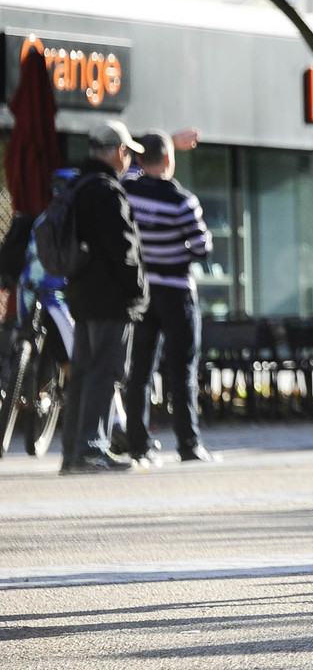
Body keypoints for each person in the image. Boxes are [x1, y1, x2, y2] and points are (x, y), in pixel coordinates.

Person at [58, 121, 150, 475]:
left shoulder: (78, 185)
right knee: (105, 372)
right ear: (118, 152)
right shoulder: (107, 191)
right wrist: (138, 290)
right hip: (110, 300)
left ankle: (73, 453)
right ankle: (91, 450)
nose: (128, 160)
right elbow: (123, 250)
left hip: (81, 296)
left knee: (83, 373)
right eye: (127, 153)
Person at [120, 130, 214, 465]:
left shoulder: (128, 190)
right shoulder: (182, 201)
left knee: (139, 372)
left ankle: (138, 445)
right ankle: (188, 445)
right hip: (177, 293)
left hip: (142, 293)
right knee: (182, 371)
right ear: (169, 159)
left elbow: (130, 170)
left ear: (140, 159)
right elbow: (202, 247)